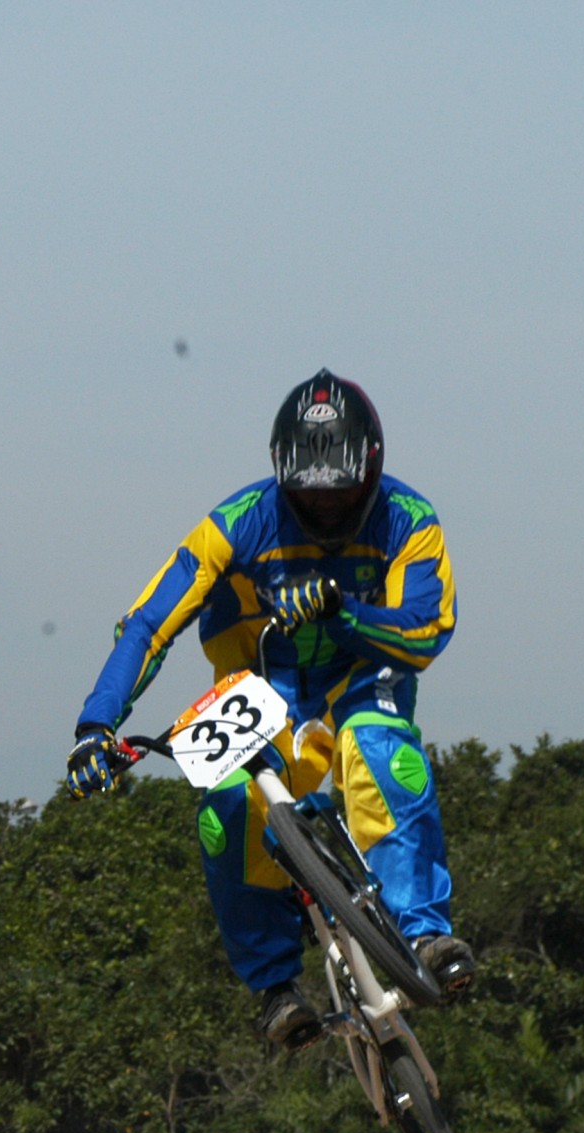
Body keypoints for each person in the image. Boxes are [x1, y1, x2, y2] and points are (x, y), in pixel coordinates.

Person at [61, 371, 472, 1049]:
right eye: (310, 492)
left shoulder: (411, 521)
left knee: (379, 748)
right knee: (223, 805)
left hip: (360, 682)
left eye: (341, 491)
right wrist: (95, 726)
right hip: (258, 693)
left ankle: (425, 933)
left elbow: (425, 632)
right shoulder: (235, 522)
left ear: (371, 469)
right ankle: (275, 985)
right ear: (283, 474)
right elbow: (147, 625)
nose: (329, 507)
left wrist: (345, 610)